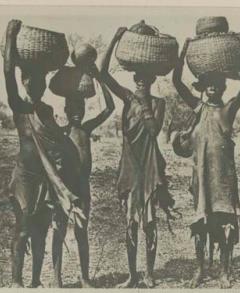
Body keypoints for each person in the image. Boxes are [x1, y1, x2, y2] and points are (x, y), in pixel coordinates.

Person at [3, 19, 85, 288]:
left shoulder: (47, 112)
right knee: (23, 230)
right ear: (24, 81)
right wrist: (10, 36)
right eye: (30, 80)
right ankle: (17, 281)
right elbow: (7, 74)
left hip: (45, 179)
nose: (35, 84)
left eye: (39, 81)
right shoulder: (20, 107)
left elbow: (58, 144)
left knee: (40, 234)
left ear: (43, 83)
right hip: (25, 178)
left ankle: (36, 281)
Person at [172, 34, 240, 288]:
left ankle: (224, 271)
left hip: (223, 179)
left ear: (223, 86)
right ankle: (199, 271)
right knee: (200, 226)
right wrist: (184, 49)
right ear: (203, 84)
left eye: (218, 82)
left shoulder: (228, 110)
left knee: (225, 228)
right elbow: (176, 81)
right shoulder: (198, 109)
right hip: (201, 178)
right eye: (208, 82)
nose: (213, 86)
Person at [100, 27, 175, 288]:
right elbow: (102, 73)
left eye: (146, 77)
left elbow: (154, 131)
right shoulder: (126, 97)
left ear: (153, 78)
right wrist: (116, 38)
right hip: (131, 168)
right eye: (138, 77)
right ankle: (133, 274)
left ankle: (149, 273)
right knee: (131, 224)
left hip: (150, 168)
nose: (142, 80)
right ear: (134, 78)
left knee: (150, 224)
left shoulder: (159, 104)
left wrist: (144, 104)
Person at [51, 66, 115, 288]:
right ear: (66, 109)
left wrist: (100, 79)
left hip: (82, 188)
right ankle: (57, 280)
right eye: (72, 107)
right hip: (64, 190)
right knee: (58, 232)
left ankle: (85, 278)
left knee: (82, 233)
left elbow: (110, 108)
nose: (77, 110)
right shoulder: (60, 133)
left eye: (81, 106)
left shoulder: (86, 129)